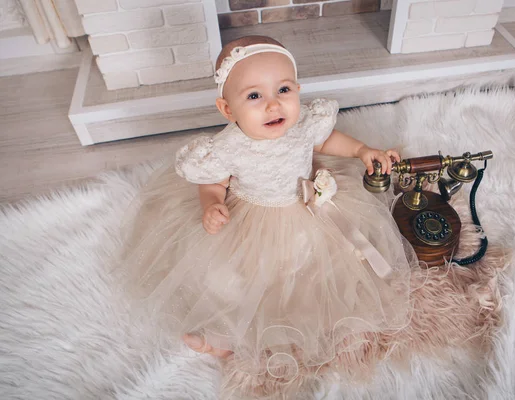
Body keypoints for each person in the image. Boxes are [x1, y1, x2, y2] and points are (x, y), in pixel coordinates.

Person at [120, 35, 419, 398]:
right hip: (253, 218)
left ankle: (313, 323)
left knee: (319, 267)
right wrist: (211, 203)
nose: (273, 104)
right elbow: (214, 182)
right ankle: (226, 336)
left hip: (306, 211)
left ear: (298, 89)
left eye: (283, 89)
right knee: (230, 278)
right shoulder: (228, 146)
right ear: (227, 110)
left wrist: (360, 149)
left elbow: (325, 143)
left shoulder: (303, 122)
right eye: (254, 96)